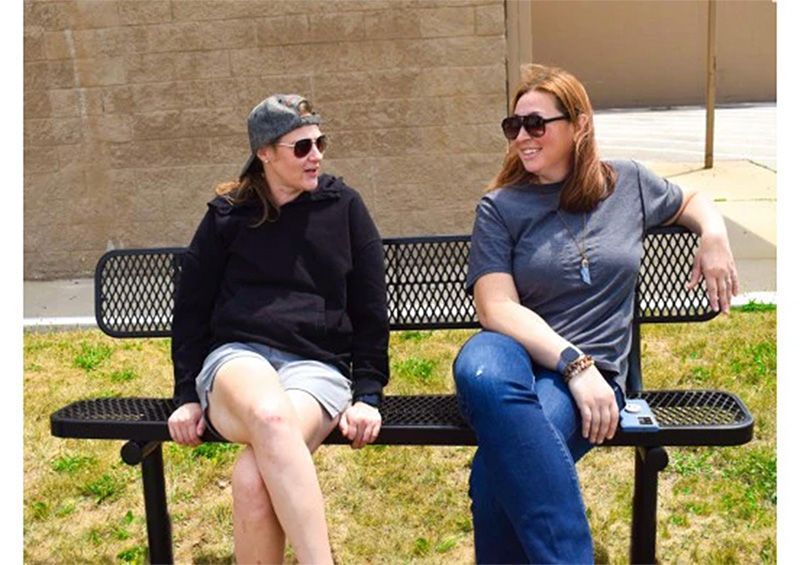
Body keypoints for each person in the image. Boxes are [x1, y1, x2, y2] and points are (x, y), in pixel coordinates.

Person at [452, 64, 738, 563]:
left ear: (579, 124)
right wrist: (574, 364)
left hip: (585, 377)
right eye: (513, 126)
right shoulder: (500, 206)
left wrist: (713, 232)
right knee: (483, 371)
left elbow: (690, 199)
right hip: (516, 353)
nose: (522, 136)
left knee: (493, 474)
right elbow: (495, 306)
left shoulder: (626, 184)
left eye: (536, 124)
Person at [167, 94, 389, 564]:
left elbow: (370, 308)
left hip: (317, 368)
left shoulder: (343, 207)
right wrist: (187, 392)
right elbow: (191, 308)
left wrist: (368, 393)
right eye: (302, 146)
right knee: (269, 416)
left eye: (320, 142)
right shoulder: (228, 215)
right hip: (239, 362)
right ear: (264, 153)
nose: (317, 156)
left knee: (252, 480)